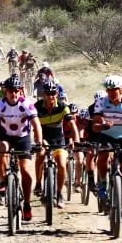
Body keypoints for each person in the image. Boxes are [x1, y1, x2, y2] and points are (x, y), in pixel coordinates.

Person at [0, 76, 44, 221]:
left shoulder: (27, 105)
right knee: (1, 147)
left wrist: (39, 142)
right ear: (5, 91)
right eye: (10, 91)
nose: (13, 93)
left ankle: (27, 204)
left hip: (23, 137)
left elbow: (36, 124)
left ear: (20, 91)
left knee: (26, 171)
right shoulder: (0, 105)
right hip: (7, 136)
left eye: (16, 90)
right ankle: (3, 181)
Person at [90, 75, 122, 223]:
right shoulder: (101, 102)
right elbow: (95, 126)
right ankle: (102, 184)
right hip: (106, 135)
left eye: (115, 90)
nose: (112, 93)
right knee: (103, 157)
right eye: (109, 90)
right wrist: (103, 126)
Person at [33, 81, 78, 209]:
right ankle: (38, 184)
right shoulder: (36, 107)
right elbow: (32, 123)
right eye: (47, 94)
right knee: (40, 155)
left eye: (53, 94)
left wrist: (76, 140)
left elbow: (72, 124)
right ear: (43, 94)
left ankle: (59, 194)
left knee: (62, 164)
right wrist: (38, 139)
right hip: (43, 138)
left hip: (59, 140)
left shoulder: (63, 106)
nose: (50, 97)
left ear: (57, 94)